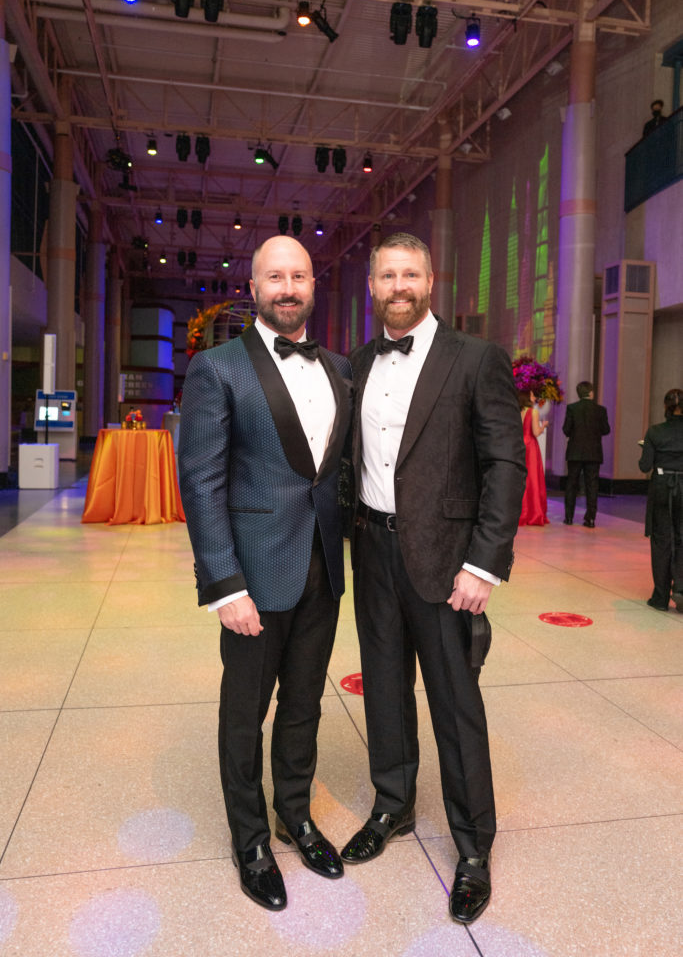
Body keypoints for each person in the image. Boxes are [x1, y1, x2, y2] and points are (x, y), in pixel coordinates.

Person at [340, 232, 526, 924]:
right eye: (386, 274)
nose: (398, 285)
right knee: (384, 692)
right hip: (374, 553)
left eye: (409, 273)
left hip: (448, 564)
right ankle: (391, 806)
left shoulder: (476, 359)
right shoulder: (357, 362)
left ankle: (473, 849)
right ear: (371, 286)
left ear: (430, 280)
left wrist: (483, 563)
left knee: (455, 705)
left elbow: (504, 465)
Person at [178, 235, 352, 911]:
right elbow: (200, 482)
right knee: (244, 711)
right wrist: (224, 584)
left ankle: (294, 815)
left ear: (313, 286)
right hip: (252, 577)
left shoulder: (339, 368)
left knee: (305, 705)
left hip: (321, 571)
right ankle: (250, 838)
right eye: (274, 276)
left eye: (298, 275)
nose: (287, 287)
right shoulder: (218, 368)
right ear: (252, 287)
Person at [638, 388, 683, 612]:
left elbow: (645, 466)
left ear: (666, 407)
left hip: (662, 487)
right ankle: (682, 589)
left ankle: (661, 596)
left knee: (661, 540)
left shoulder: (655, 432)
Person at [562, 380, 611, 528]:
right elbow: (606, 430)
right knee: (592, 485)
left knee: (572, 484)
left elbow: (566, 430)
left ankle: (569, 517)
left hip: (575, 452)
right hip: (593, 453)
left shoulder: (572, 408)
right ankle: (590, 519)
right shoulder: (600, 410)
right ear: (591, 392)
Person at [518, 389, 549, 526]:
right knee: (532, 479)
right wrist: (543, 426)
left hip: (519, 445)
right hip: (530, 446)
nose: (534, 397)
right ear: (527, 397)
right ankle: (533, 513)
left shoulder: (518, 411)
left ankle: (520, 512)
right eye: (531, 395)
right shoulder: (533, 412)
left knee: (521, 479)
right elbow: (535, 432)